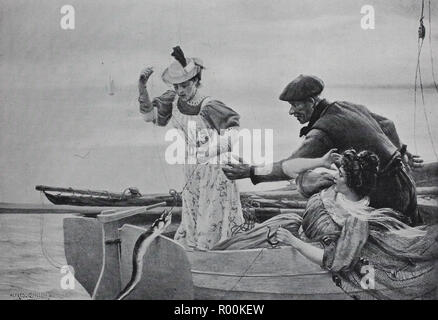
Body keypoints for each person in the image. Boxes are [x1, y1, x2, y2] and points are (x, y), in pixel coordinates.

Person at [214, 149, 438, 300]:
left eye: (339, 174)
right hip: (288, 229)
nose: (335, 174)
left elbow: (332, 261)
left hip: (298, 252)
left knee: (242, 260)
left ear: (349, 182)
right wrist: (321, 162)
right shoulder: (334, 188)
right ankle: (212, 260)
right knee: (235, 246)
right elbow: (301, 178)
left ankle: (213, 272)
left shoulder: (356, 220)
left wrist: (293, 241)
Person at [222, 75, 424, 226]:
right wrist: (401, 153)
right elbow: (388, 125)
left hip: (383, 195)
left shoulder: (324, 130)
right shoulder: (347, 106)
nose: (291, 111)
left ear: (312, 101)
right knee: (412, 234)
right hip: (406, 183)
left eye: (295, 105)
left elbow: (290, 166)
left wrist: (249, 171)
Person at [138, 46, 244, 250]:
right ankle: (192, 253)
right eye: (176, 86)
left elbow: (234, 132)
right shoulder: (172, 101)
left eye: (184, 85)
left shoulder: (209, 105)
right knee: (192, 211)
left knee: (212, 215)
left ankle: (212, 254)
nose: (180, 91)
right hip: (191, 168)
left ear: (195, 81)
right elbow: (149, 117)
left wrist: (210, 150)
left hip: (216, 169)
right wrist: (142, 86)